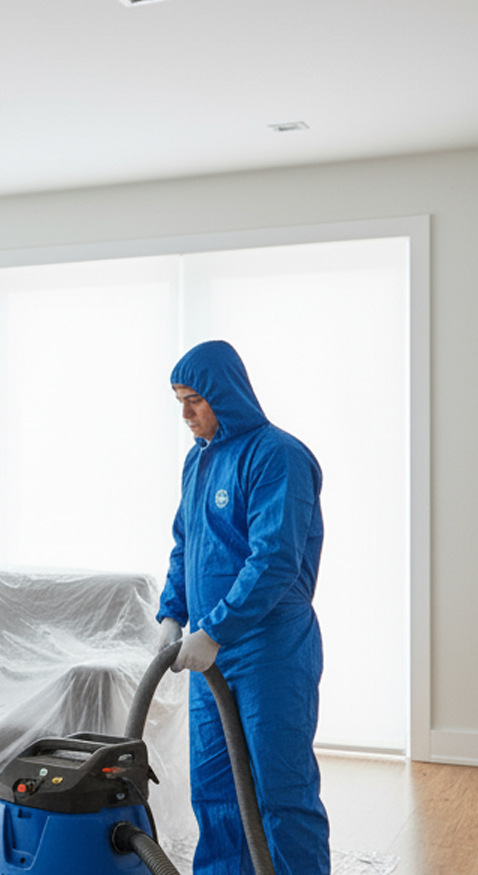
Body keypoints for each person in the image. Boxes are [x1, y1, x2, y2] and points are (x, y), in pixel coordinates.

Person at [156, 340, 330, 874]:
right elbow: (187, 545)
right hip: (211, 656)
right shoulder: (198, 461)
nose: (185, 414)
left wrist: (218, 629)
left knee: (280, 791)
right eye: (179, 401)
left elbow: (275, 558)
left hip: (269, 651)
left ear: (226, 396)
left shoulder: (279, 456)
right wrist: (172, 615)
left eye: (195, 401)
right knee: (215, 791)